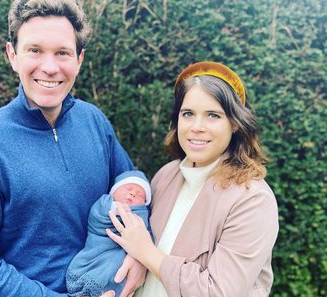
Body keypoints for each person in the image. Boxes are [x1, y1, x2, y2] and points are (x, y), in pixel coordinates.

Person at [0, 1, 146, 296]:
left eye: (62, 52)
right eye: (35, 50)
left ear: (79, 59)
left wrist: (142, 252)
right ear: (12, 55)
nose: (50, 67)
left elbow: (131, 185)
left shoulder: (93, 120)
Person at [107, 61, 279, 297]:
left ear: (235, 123)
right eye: (188, 114)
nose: (197, 127)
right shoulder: (166, 176)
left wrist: (147, 252)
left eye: (213, 115)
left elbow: (217, 292)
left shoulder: (252, 199)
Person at [66, 170, 152, 297]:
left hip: (122, 260)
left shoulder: (142, 214)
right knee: (102, 268)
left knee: (115, 268)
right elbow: (96, 217)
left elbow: (147, 236)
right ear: (114, 191)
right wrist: (114, 209)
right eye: (128, 188)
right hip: (99, 250)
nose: (133, 193)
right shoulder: (104, 203)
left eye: (140, 195)